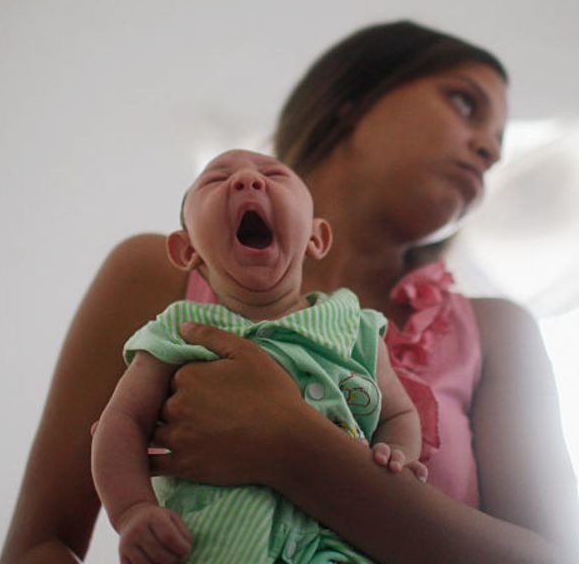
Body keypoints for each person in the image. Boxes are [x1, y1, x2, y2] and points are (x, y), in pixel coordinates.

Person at [0, 21, 579, 564]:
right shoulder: (150, 275)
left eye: (498, 139)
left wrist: (293, 446)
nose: (491, 149)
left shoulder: (497, 332)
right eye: (465, 103)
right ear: (351, 101)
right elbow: (42, 545)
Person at [92, 149, 423, 563]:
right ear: (186, 249)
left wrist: (397, 454)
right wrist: (133, 510)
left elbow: (400, 415)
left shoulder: (354, 326)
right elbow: (120, 421)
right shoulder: (178, 331)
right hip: (213, 548)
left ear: (316, 238)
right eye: (215, 179)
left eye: (274, 174)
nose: (248, 181)